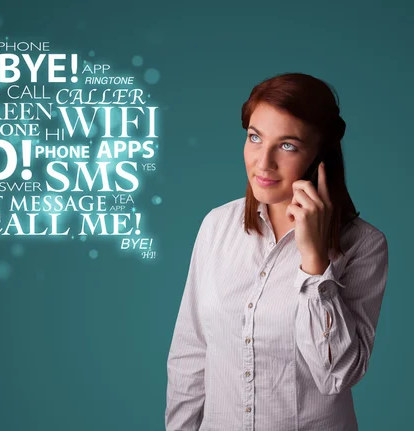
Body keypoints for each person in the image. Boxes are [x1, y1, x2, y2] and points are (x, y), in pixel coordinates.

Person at [165, 72, 389, 431]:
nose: (263, 162)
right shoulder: (216, 226)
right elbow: (190, 353)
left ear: (319, 155)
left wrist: (315, 266)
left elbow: (337, 375)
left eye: (288, 145)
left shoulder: (364, 246)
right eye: (255, 137)